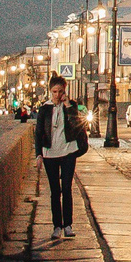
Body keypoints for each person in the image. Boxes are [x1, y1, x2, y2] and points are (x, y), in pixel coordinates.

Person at [33, 77, 89, 240]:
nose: (57, 95)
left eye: (60, 92)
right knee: (55, 191)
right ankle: (57, 226)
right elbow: (38, 134)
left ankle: (68, 226)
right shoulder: (45, 109)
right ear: (50, 92)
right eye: (54, 92)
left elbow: (76, 124)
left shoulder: (71, 106)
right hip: (50, 153)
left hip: (68, 152)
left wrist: (67, 106)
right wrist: (39, 154)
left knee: (67, 188)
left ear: (65, 91)